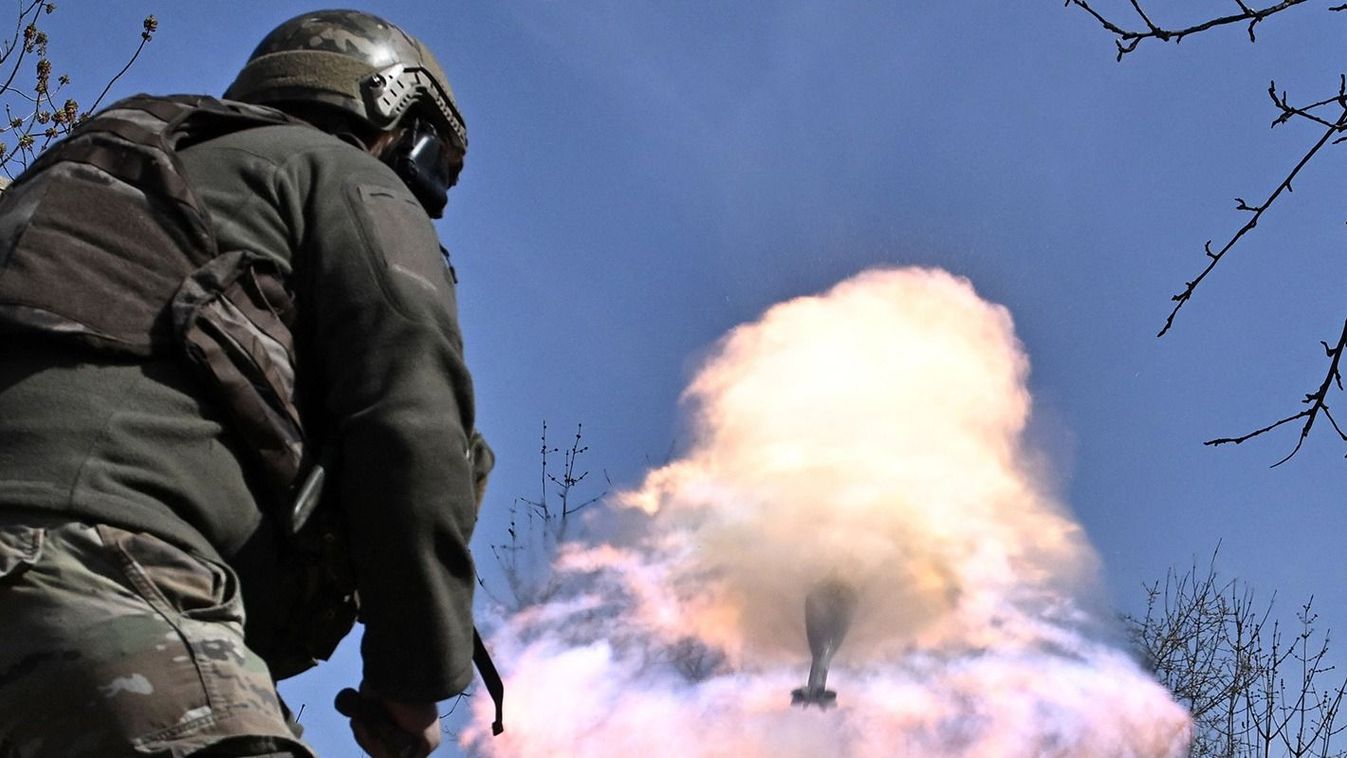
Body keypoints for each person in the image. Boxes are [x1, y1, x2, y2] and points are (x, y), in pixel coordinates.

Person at [0, 10, 493, 757]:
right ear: (399, 118)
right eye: (435, 168)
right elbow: (413, 422)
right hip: (93, 576)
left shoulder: (89, 178)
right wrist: (414, 677)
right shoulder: (343, 175)